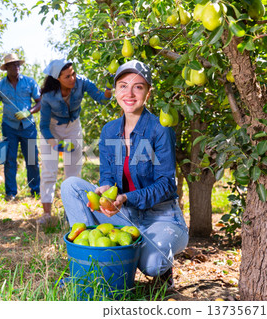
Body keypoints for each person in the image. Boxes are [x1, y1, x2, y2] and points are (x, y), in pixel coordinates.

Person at [60, 59, 189, 288]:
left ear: (148, 93)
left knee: (152, 264)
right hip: (125, 215)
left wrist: (127, 197)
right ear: (116, 91)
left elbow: (167, 184)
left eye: (138, 86)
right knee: (71, 186)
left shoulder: (161, 128)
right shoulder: (110, 129)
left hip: (161, 217)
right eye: (122, 86)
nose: (129, 93)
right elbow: (108, 175)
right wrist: (104, 189)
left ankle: (160, 269)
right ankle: (88, 262)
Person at [38, 59, 112, 224]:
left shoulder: (81, 83)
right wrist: (55, 145)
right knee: (49, 171)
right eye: (67, 76)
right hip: (52, 128)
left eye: (73, 73)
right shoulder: (48, 96)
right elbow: (43, 126)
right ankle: (46, 214)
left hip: (72, 127)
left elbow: (102, 98)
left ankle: (71, 213)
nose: (73, 78)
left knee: (73, 173)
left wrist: (108, 89)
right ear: (57, 78)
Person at [0, 53, 41, 201]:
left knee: (32, 159)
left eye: (18, 64)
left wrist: (28, 112)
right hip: (9, 127)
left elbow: (39, 102)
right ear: (6, 68)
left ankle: (35, 191)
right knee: (9, 160)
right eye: (13, 64)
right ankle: (11, 193)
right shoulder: (0, 87)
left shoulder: (29, 82)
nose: (16, 67)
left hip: (28, 126)